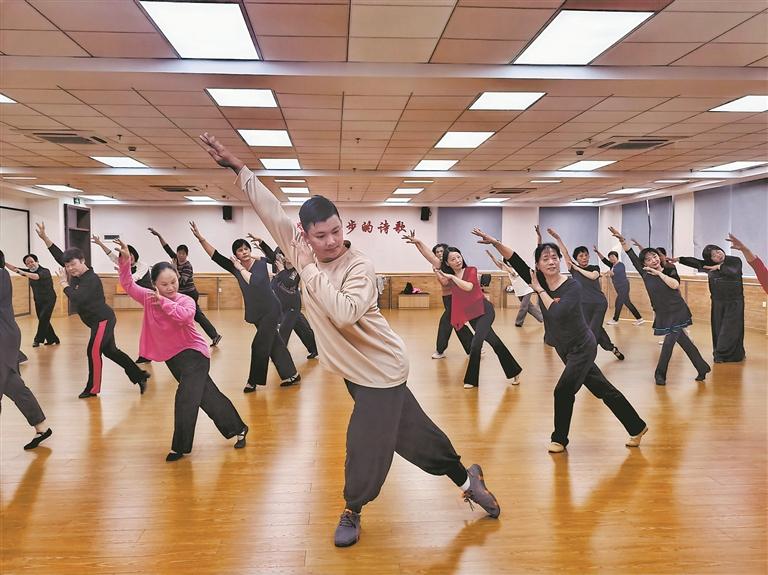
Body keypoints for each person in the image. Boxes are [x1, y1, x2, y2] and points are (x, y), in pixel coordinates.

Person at [200, 131, 501, 548]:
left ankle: (352, 508)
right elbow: (271, 212)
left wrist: (308, 269)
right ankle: (468, 480)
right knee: (414, 436)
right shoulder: (300, 246)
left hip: (382, 369)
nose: (330, 241)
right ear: (305, 235)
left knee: (365, 442)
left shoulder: (358, 265)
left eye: (335, 231)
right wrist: (240, 169)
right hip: (355, 373)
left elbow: (343, 312)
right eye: (320, 235)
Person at [480, 236, 647, 452]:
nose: (551, 262)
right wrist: (495, 243)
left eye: (554, 257)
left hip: (582, 347)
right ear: (538, 264)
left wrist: (539, 290)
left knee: (563, 391)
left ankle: (559, 439)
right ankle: (637, 426)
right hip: (564, 348)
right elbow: (515, 259)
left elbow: (557, 312)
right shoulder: (538, 279)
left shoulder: (572, 286)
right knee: (603, 389)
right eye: (545, 258)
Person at [115, 238, 247, 461]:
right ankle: (239, 428)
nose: (170, 288)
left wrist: (163, 301)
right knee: (208, 397)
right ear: (154, 284)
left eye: (173, 282)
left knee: (185, 398)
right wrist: (125, 260)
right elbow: (127, 284)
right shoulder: (147, 297)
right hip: (173, 359)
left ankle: (180, 447)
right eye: (164, 285)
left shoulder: (186, 300)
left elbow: (184, 316)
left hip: (195, 355)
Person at [35, 222, 150, 398]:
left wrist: (64, 283)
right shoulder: (76, 272)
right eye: (67, 266)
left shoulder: (90, 279)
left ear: (82, 261)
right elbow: (59, 255)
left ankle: (92, 388)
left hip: (102, 320)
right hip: (99, 321)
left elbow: (77, 298)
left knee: (93, 351)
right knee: (111, 351)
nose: (70, 268)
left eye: (73, 264)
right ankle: (139, 375)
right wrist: (45, 238)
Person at [189, 222, 300, 391]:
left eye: (246, 249)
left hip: (271, 310)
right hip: (257, 313)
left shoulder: (259, 265)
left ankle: (253, 381)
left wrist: (243, 264)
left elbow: (255, 281)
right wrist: (201, 239)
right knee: (274, 343)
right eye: (240, 250)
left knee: (259, 345)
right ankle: (292, 374)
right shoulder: (235, 267)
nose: (244, 252)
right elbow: (216, 256)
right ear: (236, 255)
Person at [610, 228, 711, 385]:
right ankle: (702, 367)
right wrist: (623, 241)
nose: (653, 260)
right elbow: (631, 255)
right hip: (662, 312)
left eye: (655, 256)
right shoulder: (644, 273)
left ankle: (660, 374)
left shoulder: (669, 269)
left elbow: (675, 284)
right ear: (644, 263)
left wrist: (659, 273)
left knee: (669, 343)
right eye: (649, 259)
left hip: (677, 310)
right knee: (684, 342)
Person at [435, 246, 522, 389]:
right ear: (447, 263)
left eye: (458, 257)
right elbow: (457, 300)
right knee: (495, 342)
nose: (457, 260)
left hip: (485, 311)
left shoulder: (471, 270)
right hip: (472, 317)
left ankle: (471, 380)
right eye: (453, 259)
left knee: (476, 344)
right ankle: (515, 370)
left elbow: (468, 287)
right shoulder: (450, 279)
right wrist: (418, 243)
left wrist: (452, 277)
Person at [543, 229, 625, 361]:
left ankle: (586, 360)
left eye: (586, 255)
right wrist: (558, 238)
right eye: (581, 256)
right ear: (576, 258)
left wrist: (577, 268)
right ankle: (611, 348)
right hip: (583, 306)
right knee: (596, 329)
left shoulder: (594, 267)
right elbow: (565, 253)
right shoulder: (573, 268)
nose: (584, 258)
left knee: (591, 332)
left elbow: (593, 277)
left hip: (599, 304)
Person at [0, 250, 53, 450]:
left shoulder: (0, 275)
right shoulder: (3, 274)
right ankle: (42, 427)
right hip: (7, 334)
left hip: (3, 336)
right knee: (12, 384)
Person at [401, 231, 472, 359]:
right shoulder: (439, 265)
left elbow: (445, 282)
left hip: (457, 298)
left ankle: (440, 350)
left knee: (445, 322)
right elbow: (427, 255)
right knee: (457, 324)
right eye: (437, 252)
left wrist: (437, 272)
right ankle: (473, 347)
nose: (439, 254)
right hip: (447, 299)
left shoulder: (454, 266)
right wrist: (418, 242)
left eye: (442, 251)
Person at [148, 227, 222, 347]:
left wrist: (174, 269)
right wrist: (159, 236)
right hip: (181, 294)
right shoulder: (175, 259)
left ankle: (212, 336)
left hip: (190, 294)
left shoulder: (188, 266)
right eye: (179, 253)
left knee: (195, 316)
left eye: (183, 253)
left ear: (186, 255)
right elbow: (167, 248)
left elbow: (182, 281)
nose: (180, 255)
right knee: (185, 316)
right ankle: (213, 335)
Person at [672, 244, 745, 363]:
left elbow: (733, 271)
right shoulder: (708, 266)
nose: (718, 255)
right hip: (718, 302)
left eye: (718, 251)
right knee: (718, 329)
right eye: (713, 255)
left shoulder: (733, 260)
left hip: (735, 302)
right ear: (710, 259)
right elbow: (695, 262)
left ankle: (725, 354)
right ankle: (720, 352)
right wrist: (679, 259)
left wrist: (719, 267)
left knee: (731, 329)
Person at [249, 234, 318, 359]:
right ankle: (314, 348)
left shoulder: (297, 268)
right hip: (281, 303)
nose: (288, 257)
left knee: (284, 329)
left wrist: (280, 271)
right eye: (285, 254)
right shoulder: (280, 262)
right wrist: (261, 242)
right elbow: (271, 255)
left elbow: (289, 283)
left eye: (291, 254)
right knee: (302, 328)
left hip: (292, 306)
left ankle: (279, 355)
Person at [92, 234, 153, 363]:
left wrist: (123, 273)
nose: (129, 257)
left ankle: (147, 355)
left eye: (130, 255)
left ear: (134, 254)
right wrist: (100, 243)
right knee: (148, 328)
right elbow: (111, 256)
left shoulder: (143, 265)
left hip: (151, 298)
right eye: (125, 256)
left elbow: (135, 278)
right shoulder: (124, 264)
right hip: (145, 300)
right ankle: (146, 355)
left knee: (150, 328)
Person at [4, 253, 59, 346]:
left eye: (32, 262)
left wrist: (23, 273)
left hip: (49, 299)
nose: (30, 264)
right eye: (27, 263)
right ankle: (53, 338)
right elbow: (14, 268)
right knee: (43, 319)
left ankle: (37, 340)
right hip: (38, 300)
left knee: (43, 318)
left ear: (37, 261)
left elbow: (36, 276)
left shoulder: (45, 271)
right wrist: (3, 262)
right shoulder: (29, 272)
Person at [487, 249, 543, 327]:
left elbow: (512, 273)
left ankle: (518, 322)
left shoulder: (517, 268)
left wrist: (503, 264)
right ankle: (541, 318)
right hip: (519, 291)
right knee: (530, 307)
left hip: (527, 289)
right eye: (507, 261)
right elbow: (498, 264)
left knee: (523, 307)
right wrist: (491, 256)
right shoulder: (507, 268)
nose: (509, 262)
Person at [593, 245, 644, 326]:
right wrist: (597, 252)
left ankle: (615, 319)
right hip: (619, 288)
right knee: (627, 303)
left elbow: (613, 273)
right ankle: (639, 319)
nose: (611, 259)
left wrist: (608, 273)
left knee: (618, 303)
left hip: (624, 287)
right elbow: (604, 260)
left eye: (613, 257)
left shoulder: (620, 265)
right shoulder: (612, 265)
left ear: (616, 257)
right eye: (610, 257)